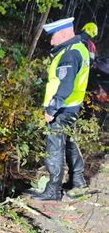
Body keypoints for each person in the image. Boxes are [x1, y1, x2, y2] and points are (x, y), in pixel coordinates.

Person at [29, 17, 90, 201]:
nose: (51, 41)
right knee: (70, 143)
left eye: (53, 36)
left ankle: (53, 190)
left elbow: (66, 85)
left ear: (64, 33)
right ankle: (78, 181)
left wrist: (51, 109)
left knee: (54, 148)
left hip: (62, 109)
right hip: (72, 107)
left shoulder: (69, 54)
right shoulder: (81, 47)